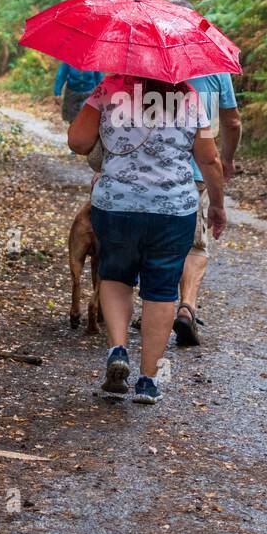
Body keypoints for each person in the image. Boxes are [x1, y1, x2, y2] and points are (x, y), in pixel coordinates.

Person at [67, 74, 227, 404]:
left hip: (117, 204)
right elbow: (209, 159)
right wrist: (218, 206)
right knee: (162, 289)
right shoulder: (190, 96)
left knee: (115, 275)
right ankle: (148, 382)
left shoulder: (110, 87)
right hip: (173, 209)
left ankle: (118, 350)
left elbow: (78, 141)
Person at [166, 0, 241, 347]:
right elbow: (233, 121)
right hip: (196, 170)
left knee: (159, 240)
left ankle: (156, 303)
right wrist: (226, 158)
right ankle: (186, 307)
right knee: (195, 245)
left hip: (154, 169)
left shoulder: (149, 58)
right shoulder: (213, 62)